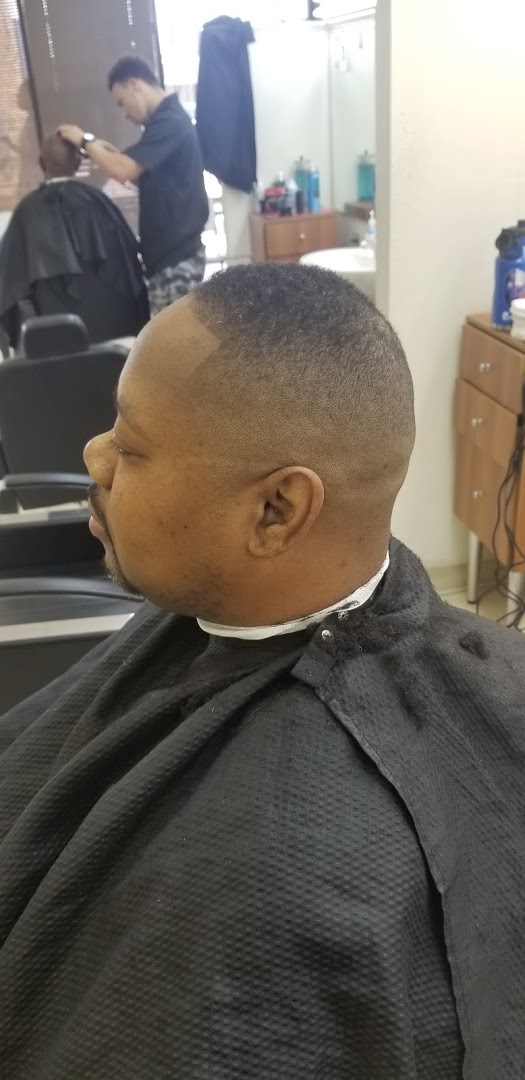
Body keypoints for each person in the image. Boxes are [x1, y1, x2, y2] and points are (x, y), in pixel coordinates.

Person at [0, 264, 524, 1079]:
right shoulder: (204, 605)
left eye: (131, 447)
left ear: (276, 511)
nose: (94, 455)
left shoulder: (285, 878)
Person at [58, 56, 209, 317]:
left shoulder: (170, 122)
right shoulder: (162, 123)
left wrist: (84, 141)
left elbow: (122, 171)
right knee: (167, 338)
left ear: (134, 85)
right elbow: (144, 178)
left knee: (172, 341)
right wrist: (107, 152)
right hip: (168, 260)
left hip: (177, 261)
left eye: (121, 103)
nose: (125, 114)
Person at [0, 134, 149, 349]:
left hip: (55, 340)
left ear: (42, 163)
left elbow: (11, 285)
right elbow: (130, 269)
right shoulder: (100, 204)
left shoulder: (26, 212)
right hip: (114, 336)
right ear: (78, 164)